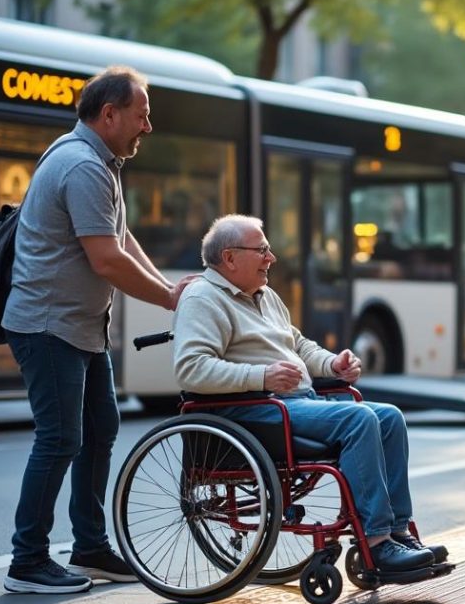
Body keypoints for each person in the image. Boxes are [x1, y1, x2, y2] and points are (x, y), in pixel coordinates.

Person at [0, 66, 198, 595]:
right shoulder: (82, 165)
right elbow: (107, 260)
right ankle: (28, 561)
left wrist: (170, 289)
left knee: (99, 431)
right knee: (61, 437)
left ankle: (89, 547)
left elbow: (121, 236)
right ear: (109, 115)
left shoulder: (98, 163)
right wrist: (167, 299)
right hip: (49, 326)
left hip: (81, 328)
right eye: (142, 116)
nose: (147, 128)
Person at [173, 214, 446, 576]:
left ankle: (397, 532)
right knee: (359, 418)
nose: (271, 258)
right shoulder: (203, 299)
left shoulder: (265, 296)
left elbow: (297, 346)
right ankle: (377, 545)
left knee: (389, 417)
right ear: (230, 257)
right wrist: (262, 375)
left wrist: (333, 365)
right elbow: (191, 369)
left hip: (295, 402)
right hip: (252, 409)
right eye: (262, 250)